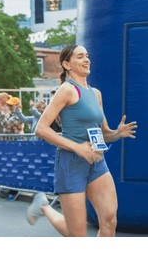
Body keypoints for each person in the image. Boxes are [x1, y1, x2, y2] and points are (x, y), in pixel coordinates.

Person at [27, 44, 137, 237]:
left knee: (110, 221)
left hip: (96, 163)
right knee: (77, 234)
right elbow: (41, 129)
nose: (86, 59)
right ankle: (43, 206)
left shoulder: (95, 93)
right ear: (67, 64)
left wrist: (117, 133)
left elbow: (103, 133)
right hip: (71, 164)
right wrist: (77, 147)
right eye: (80, 57)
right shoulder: (67, 90)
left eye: (87, 56)